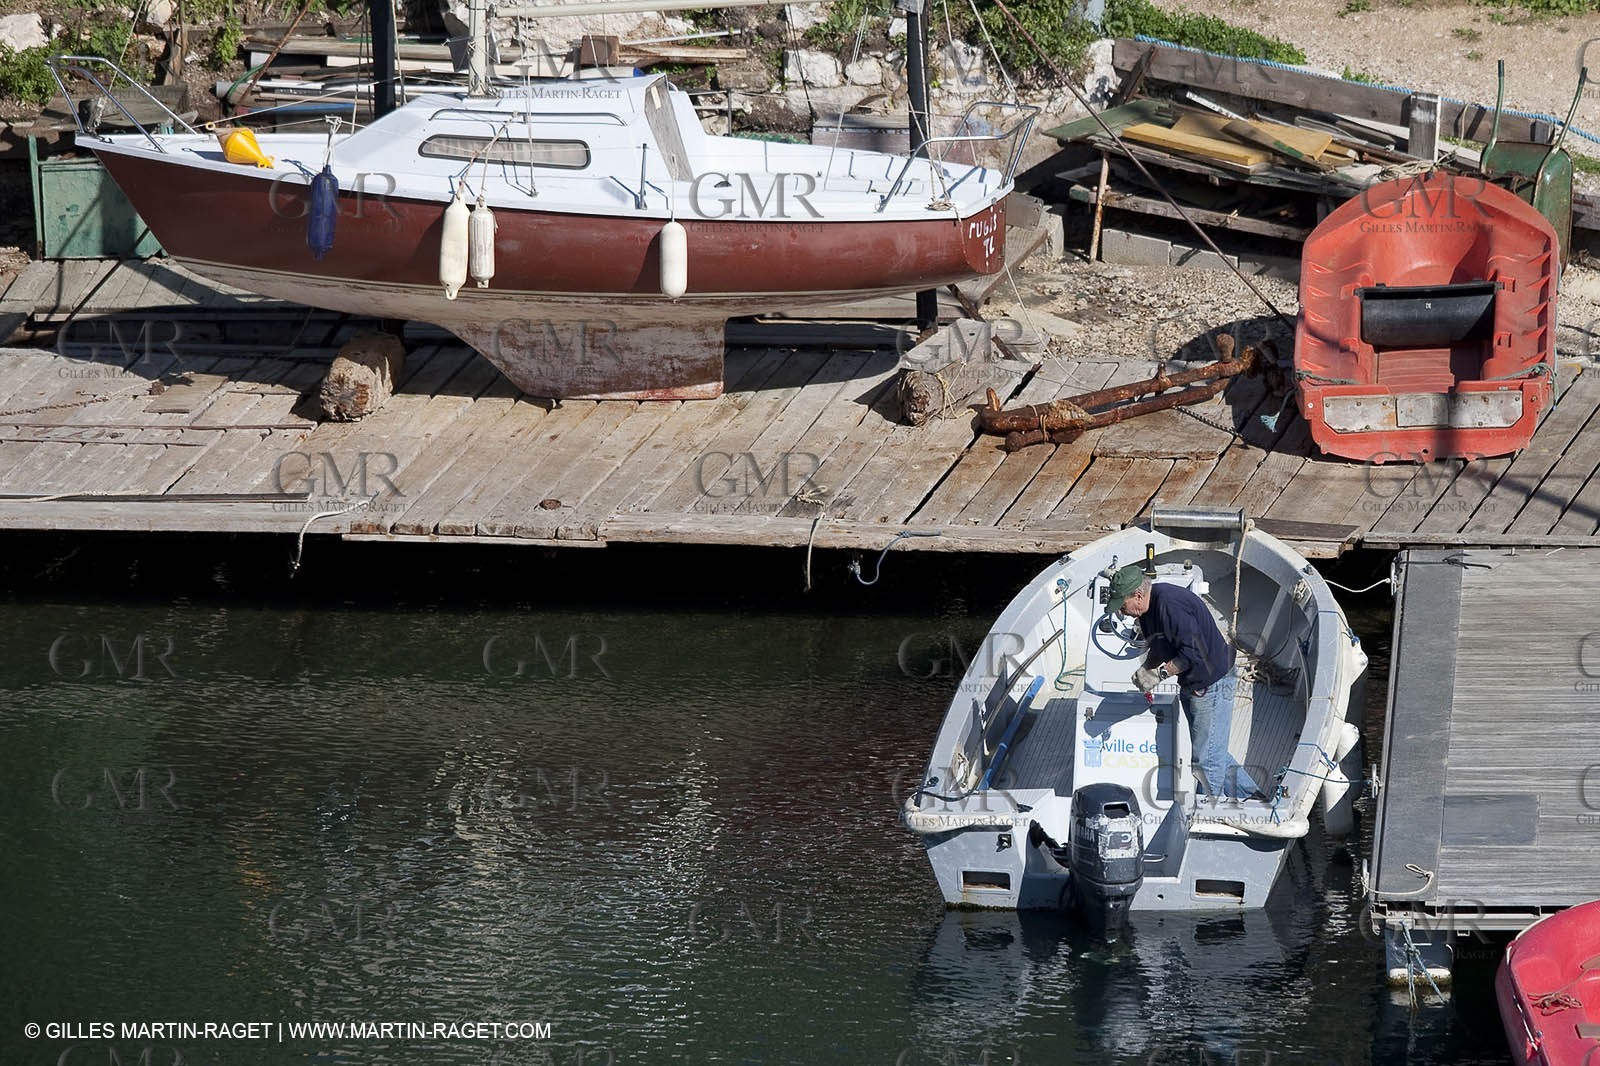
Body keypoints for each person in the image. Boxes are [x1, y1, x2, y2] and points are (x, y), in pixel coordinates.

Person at [1104, 564, 1267, 803]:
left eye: (1122, 605)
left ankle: (1210, 818)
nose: (1121, 612)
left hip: (1212, 683)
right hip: (1194, 684)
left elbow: (1195, 653)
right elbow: (1160, 645)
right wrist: (1147, 668)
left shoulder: (1170, 606)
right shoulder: (1146, 611)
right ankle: (1256, 799)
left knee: (1206, 760)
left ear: (1137, 596)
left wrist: (1160, 674)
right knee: (1211, 751)